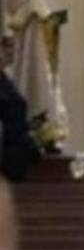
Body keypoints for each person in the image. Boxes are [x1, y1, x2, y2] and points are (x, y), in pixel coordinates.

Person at [7, 0, 67, 151]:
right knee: (40, 94)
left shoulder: (25, 3)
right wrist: (59, 20)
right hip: (36, 56)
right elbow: (48, 22)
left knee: (34, 93)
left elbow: (17, 23)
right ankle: (41, 138)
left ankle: (37, 135)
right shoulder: (35, 2)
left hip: (31, 56)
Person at [0, 36, 41, 181]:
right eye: (6, 48)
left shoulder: (5, 80)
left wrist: (30, 125)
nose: (11, 52)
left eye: (11, 48)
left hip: (16, 152)